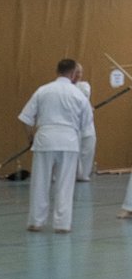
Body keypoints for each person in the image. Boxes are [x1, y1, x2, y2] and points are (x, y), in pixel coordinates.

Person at [18, 59, 93, 233]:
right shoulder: (78, 95)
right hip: (69, 140)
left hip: (45, 138)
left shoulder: (43, 90)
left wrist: (31, 137)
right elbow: (86, 122)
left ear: (57, 71)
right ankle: (62, 224)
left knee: (40, 182)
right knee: (65, 184)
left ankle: (36, 221)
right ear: (74, 73)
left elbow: (26, 118)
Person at [74, 74, 96, 182]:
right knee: (74, 152)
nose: (79, 74)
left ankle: (84, 174)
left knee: (88, 149)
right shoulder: (64, 88)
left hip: (87, 124)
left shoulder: (84, 85)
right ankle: (73, 174)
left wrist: (88, 108)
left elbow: (85, 97)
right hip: (72, 125)